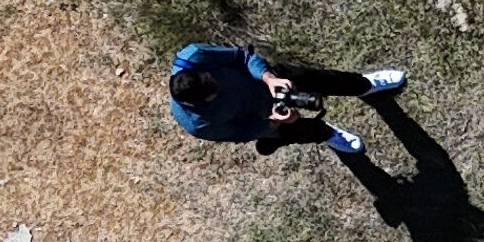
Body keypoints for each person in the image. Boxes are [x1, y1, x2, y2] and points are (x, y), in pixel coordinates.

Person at [167, 43, 409, 156]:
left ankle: (364, 86)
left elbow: (241, 57)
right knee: (300, 131)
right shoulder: (199, 125)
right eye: (215, 93)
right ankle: (326, 134)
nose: (220, 87)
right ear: (199, 104)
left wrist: (268, 77)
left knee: (324, 79)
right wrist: (273, 122)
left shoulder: (192, 56)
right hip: (265, 117)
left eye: (212, 79)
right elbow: (240, 133)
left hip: (269, 81)